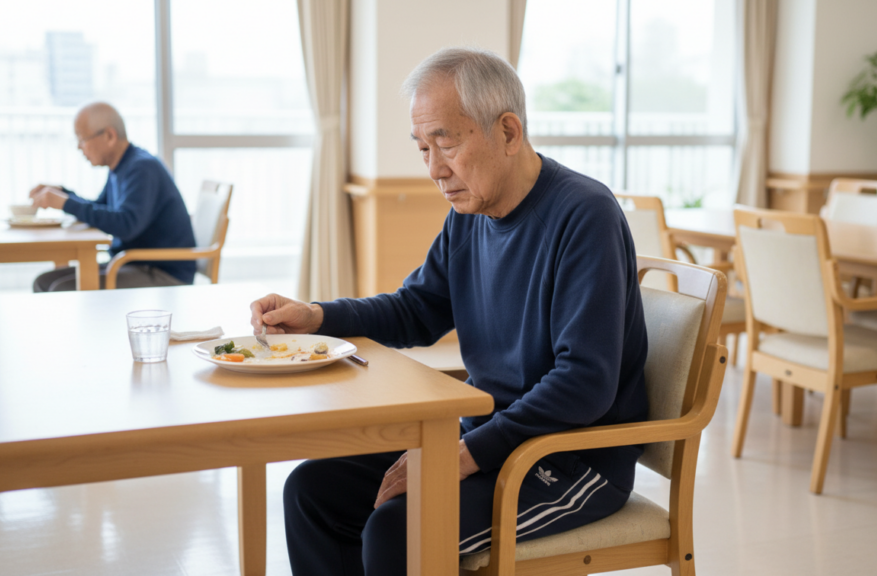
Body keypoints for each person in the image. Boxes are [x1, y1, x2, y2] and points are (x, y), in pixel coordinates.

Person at [250, 47, 649, 576]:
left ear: (508, 132)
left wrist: (465, 454)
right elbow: (416, 309)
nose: (435, 170)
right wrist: (319, 317)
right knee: (312, 491)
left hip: (569, 458)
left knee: (400, 527)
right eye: (422, 148)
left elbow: (584, 381)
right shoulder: (470, 213)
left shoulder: (584, 215)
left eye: (446, 141)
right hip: (489, 436)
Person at [30, 102, 196, 291]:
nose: (79, 147)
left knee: (59, 289)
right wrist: (63, 194)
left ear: (109, 136)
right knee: (43, 282)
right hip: (133, 263)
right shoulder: (121, 168)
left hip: (161, 271)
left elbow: (126, 225)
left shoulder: (142, 168)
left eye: (83, 139)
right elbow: (101, 208)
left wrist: (66, 203)